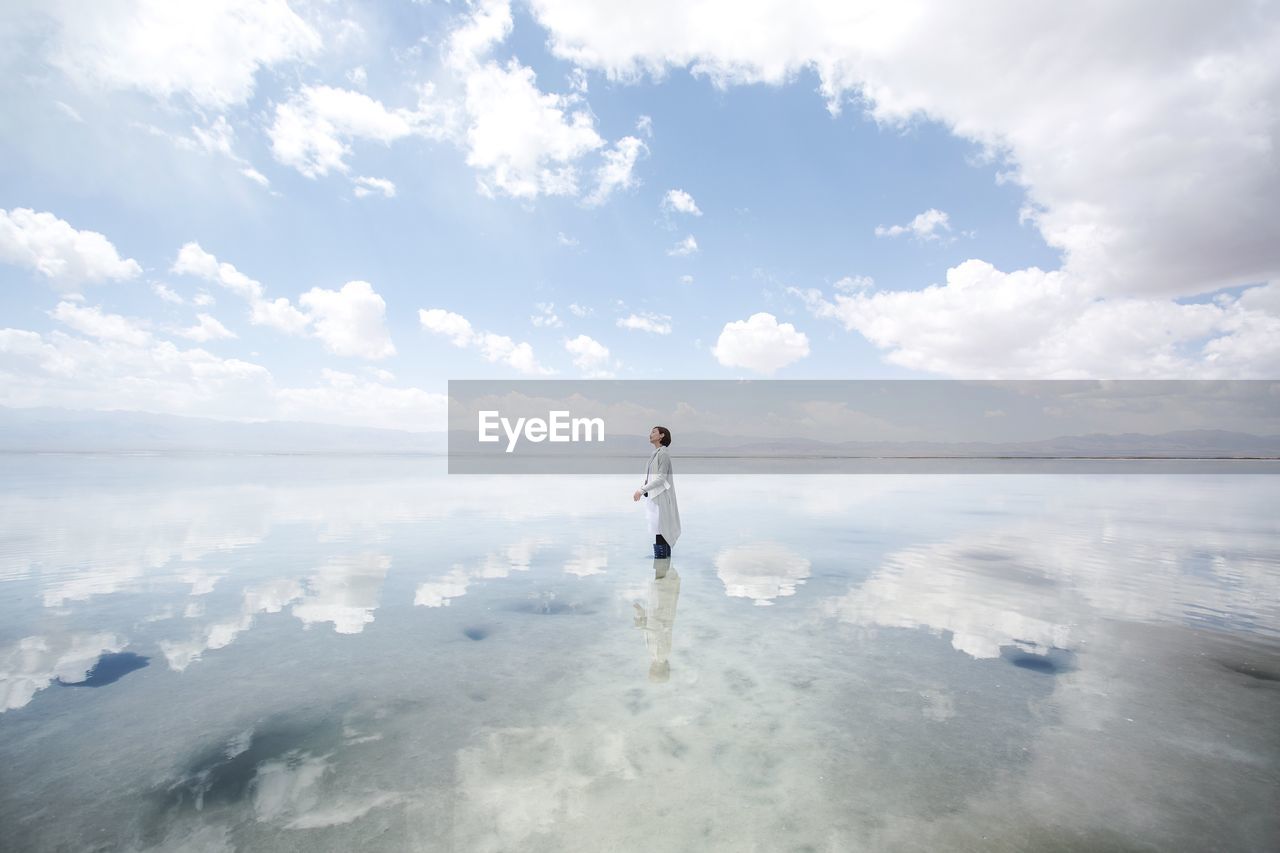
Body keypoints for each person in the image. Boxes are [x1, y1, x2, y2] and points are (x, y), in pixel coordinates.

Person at [632, 426, 681, 558]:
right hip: (655, 496)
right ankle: (663, 570)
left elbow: (661, 478)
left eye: (654, 432)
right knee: (659, 530)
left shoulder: (663, 454)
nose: (650, 434)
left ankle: (661, 566)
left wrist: (641, 490)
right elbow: (652, 477)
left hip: (661, 498)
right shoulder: (656, 454)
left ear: (662, 436)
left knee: (661, 530)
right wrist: (645, 487)